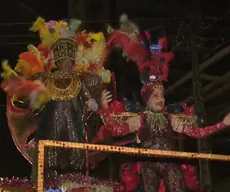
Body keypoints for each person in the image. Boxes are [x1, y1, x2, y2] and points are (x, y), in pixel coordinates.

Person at [97, 15, 230, 192]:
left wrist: (223, 124)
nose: (161, 99)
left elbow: (197, 133)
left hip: (170, 162)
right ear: (147, 99)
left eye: (162, 95)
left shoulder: (170, 119)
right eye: (156, 95)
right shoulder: (141, 119)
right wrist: (105, 108)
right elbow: (116, 130)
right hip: (148, 162)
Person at [1, 17, 110, 180]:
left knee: (75, 164)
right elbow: (30, 97)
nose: (65, 62)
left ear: (73, 59)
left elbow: (90, 94)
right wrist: (24, 93)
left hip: (74, 129)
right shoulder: (44, 78)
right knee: (49, 164)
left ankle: (75, 183)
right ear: (56, 60)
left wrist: (94, 103)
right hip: (49, 130)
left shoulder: (81, 78)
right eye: (62, 59)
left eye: (68, 59)